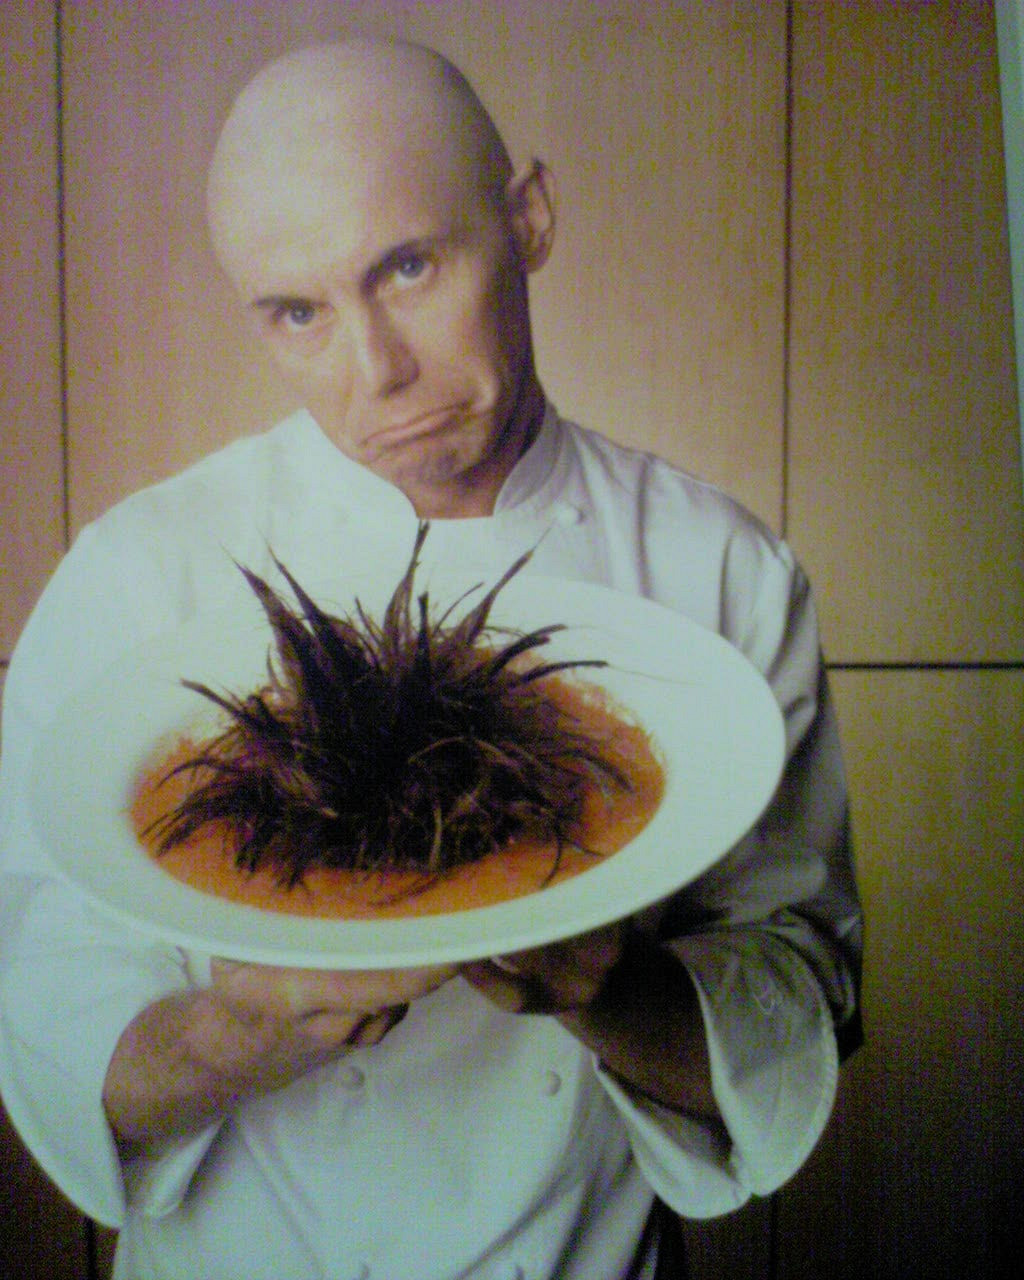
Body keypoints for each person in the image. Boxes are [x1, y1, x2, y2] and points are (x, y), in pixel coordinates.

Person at [0, 38, 861, 1280]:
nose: (377, 371)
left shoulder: (721, 570)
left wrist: (603, 984)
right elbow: (45, 1026)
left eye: (407, 267)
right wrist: (248, 1029)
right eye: (298, 312)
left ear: (529, 218)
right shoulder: (135, 576)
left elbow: (797, 994)